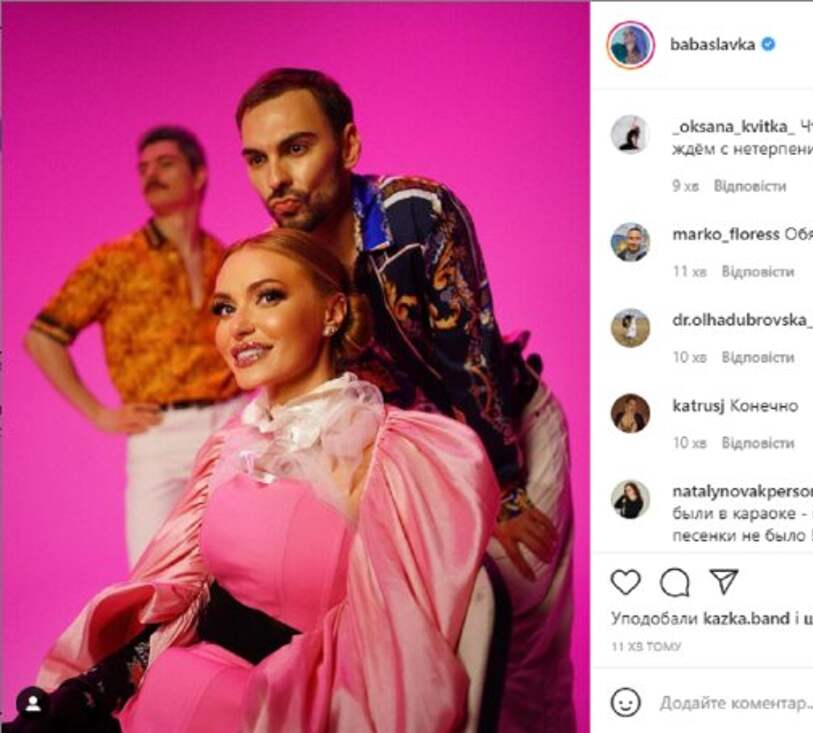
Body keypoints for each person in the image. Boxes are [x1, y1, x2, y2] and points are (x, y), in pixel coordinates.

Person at [9, 229, 499, 732]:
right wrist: (95, 689)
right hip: (162, 703)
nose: (238, 327)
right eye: (225, 308)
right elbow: (182, 595)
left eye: (268, 297)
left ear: (332, 313)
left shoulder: (392, 455)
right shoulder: (228, 447)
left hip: (277, 714)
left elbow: (396, 663)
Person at [235, 68, 575, 731]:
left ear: (348, 145)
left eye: (296, 148)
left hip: (507, 438)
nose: (276, 177)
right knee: (429, 648)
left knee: (518, 645)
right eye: (257, 158)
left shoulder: (416, 214)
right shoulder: (284, 264)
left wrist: (503, 489)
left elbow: (470, 359)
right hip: (419, 469)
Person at [23, 126, 244, 567]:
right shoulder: (116, 260)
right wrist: (98, 413)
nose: (151, 175)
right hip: (158, 432)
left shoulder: (224, 257)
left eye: (165, 164)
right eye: (143, 168)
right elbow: (41, 337)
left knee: (241, 565)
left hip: (230, 423)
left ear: (198, 174)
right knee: (150, 574)